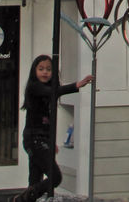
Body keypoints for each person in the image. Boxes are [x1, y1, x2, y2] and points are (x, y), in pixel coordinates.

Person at [12, 54, 93, 202]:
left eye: (49, 69)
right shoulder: (34, 87)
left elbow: (48, 120)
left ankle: (23, 199)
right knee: (55, 177)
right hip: (34, 139)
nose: (45, 72)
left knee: (35, 179)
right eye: (41, 69)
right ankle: (21, 199)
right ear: (34, 71)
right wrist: (77, 85)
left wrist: (51, 141)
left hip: (42, 139)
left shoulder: (49, 90)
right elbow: (53, 92)